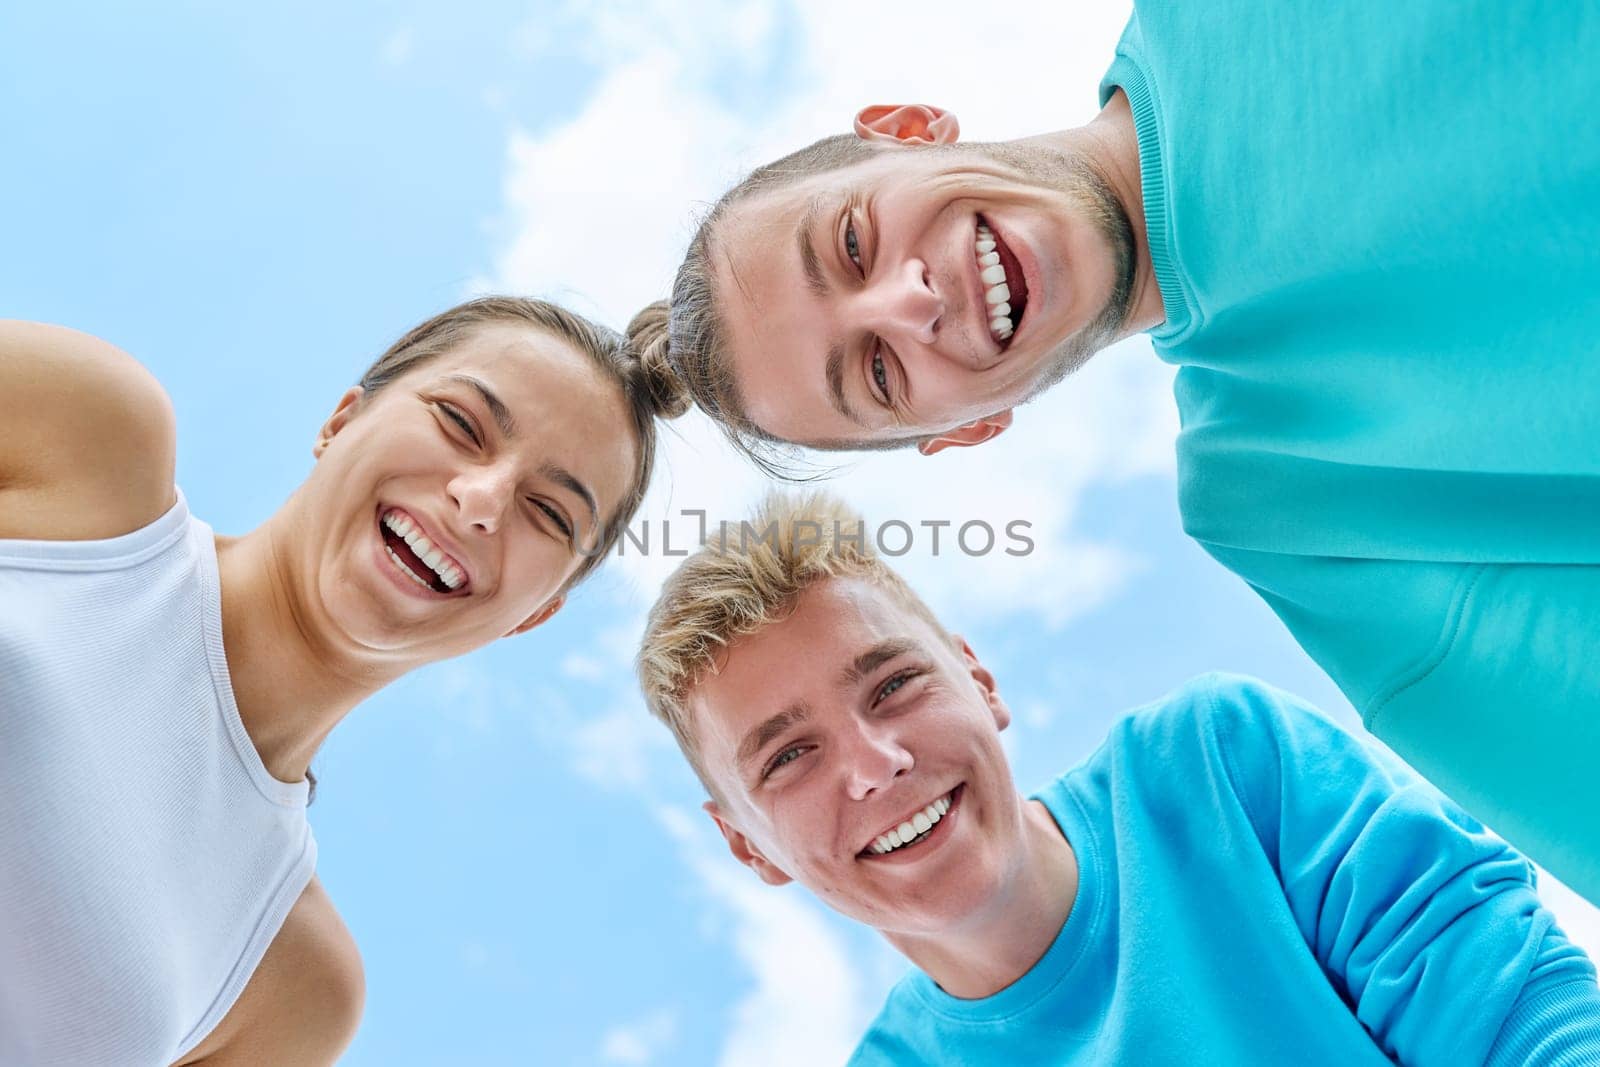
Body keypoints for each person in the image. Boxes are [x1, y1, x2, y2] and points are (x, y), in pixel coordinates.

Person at [626, 5, 1600, 901]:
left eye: (850, 242)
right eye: (877, 371)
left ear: (907, 127)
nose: (911, 301)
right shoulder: (1286, 511)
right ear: (969, 428)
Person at [636, 493, 1600, 1065]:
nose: (875, 762)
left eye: (893, 684)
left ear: (980, 680)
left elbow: (1514, 1013)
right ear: (744, 843)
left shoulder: (1220, 762)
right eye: (789, 755)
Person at [0, 297, 688, 1066]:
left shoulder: (293, 989)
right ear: (341, 420)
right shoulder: (85, 437)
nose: (483, 500)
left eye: (550, 513)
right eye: (461, 424)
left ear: (531, 617)